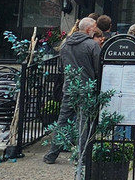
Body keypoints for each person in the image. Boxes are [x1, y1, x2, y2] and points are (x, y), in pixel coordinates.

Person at [43, 17, 101, 164]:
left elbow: (62, 67)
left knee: (63, 121)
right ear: (88, 29)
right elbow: (98, 69)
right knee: (83, 123)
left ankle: (51, 154)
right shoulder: (92, 46)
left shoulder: (65, 45)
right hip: (86, 88)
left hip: (69, 88)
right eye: (94, 27)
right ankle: (81, 157)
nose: (95, 29)